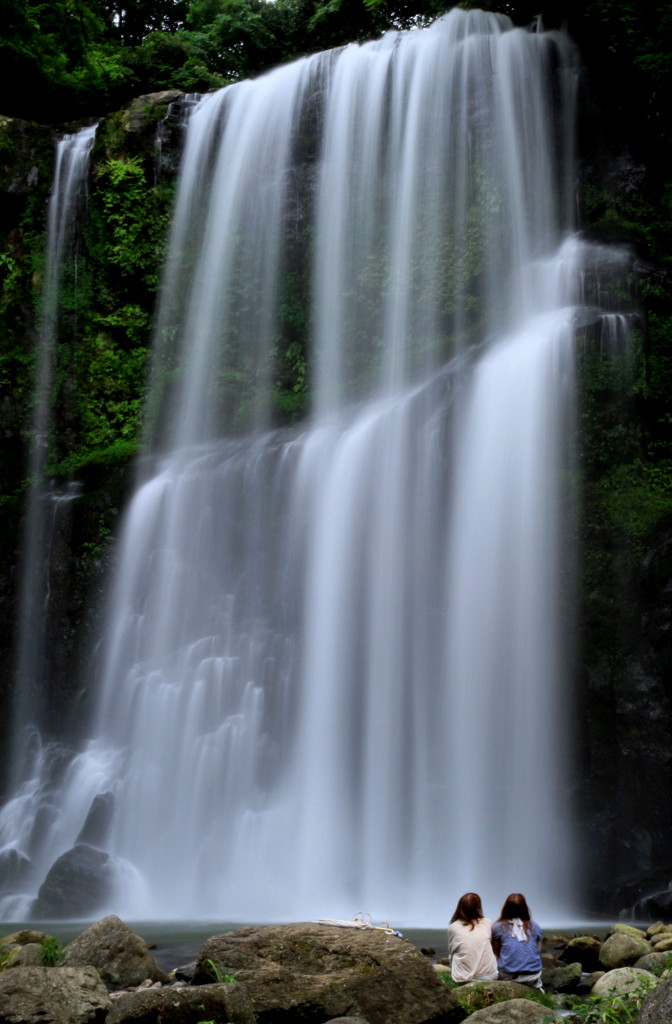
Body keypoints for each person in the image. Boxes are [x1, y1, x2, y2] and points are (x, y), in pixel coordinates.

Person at [491, 893, 543, 989]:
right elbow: (538, 951)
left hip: (509, 975)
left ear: (506, 908)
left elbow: (497, 953)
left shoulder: (498, 927)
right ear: (525, 908)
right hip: (533, 974)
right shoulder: (535, 927)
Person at [446, 892, 498, 983]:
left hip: (463, 977)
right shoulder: (488, 923)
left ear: (460, 907)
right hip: (489, 976)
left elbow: (451, 952)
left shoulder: (453, 927)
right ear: (478, 908)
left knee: (454, 953)